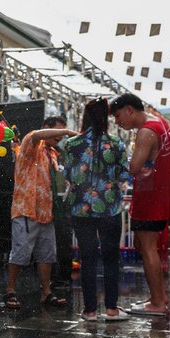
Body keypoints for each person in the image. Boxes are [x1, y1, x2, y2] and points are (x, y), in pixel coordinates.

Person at [63, 98, 130, 321]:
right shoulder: (116, 143)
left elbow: (69, 176)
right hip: (109, 208)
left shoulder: (72, 144)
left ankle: (90, 310)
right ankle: (111, 309)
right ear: (105, 117)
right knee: (111, 259)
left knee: (87, 258)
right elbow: (123, 175)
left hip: (81, 209)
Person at [110, 93, 170, 316]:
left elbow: (134, 167)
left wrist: (115, 158)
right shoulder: (159, 122)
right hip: (157, 194)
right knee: (143, 246)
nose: (118, 122)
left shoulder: (146, 131)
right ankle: (159, 296)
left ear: (129, 109)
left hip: (150, 196)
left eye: (118, 116)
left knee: (147, 249)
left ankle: (157, 302)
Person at [4, 116, 77, 309]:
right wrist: (67, 132)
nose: (60, 136)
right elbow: (38, 134)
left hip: (46, 212)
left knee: (47, 255)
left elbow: (56, 182)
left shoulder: (52, 153)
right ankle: (10, 291)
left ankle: (46, 293)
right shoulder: (32, 141)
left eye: (63, 132)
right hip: (26, 209)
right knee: (20, 253)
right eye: (58, 131)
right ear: (47, 128)